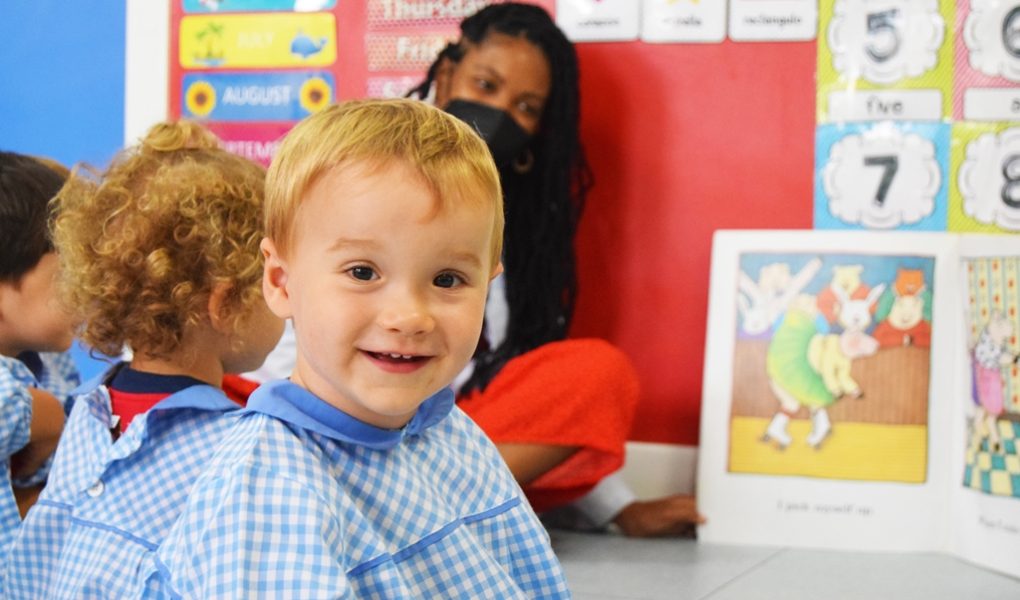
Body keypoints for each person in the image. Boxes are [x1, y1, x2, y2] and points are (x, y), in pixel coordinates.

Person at [140, 98, 570, 598]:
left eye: (448, 279)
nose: (409, 316)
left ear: (488, 283)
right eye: (363, 272)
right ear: (280, 282)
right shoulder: (271, 492)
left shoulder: (452, 433)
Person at [408, 2, 703, 536]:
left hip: (451, 423)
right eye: (485, 85)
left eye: (525, 106)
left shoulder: (516, 215)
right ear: (447, 76)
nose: (500, 112)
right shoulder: (368, 169)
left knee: (598, 374)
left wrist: (619, 511)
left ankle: (417, 509)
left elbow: (504, 372)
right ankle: (413, 504)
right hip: (353, 401)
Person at [2, 121, 284, 598]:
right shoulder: (243, 448)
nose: (285, 300)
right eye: (272, 280)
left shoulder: (87, 413)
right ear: (225, 303)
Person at [0, 152, 79, 568]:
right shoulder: (21, 397)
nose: (83, 290)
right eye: (65, 275)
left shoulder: (46, 364)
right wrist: (42, 416)